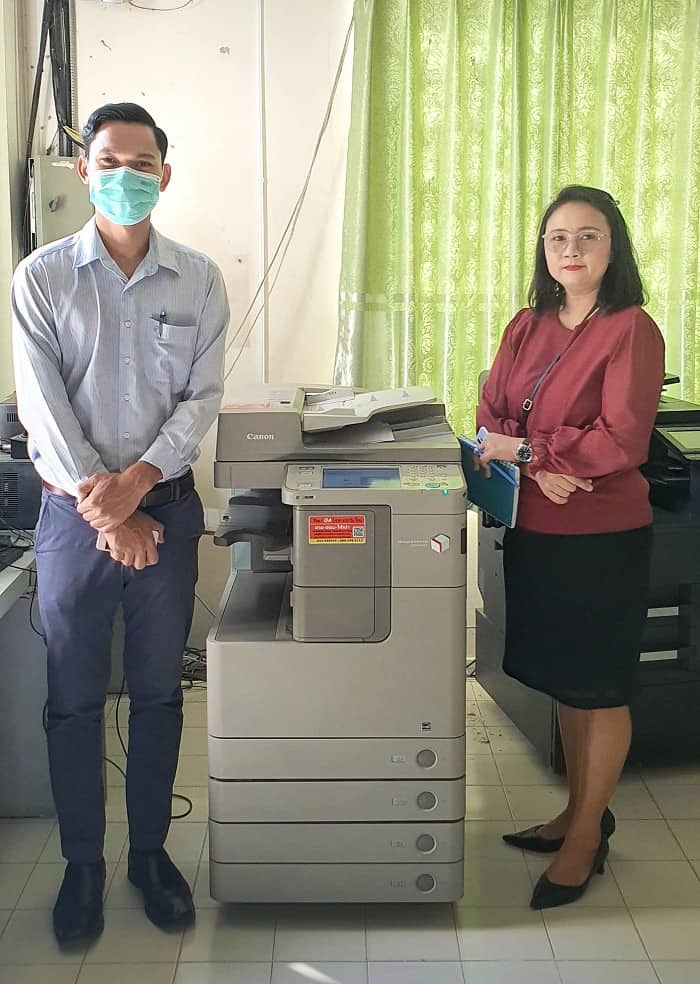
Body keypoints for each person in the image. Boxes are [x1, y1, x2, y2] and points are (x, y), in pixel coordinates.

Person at [11, 103, 229, 943]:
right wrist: (106, 510)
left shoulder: (199, 278)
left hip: (164, 515)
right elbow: (42, 406)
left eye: (142, 164)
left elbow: (201, 399)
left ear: (164, 176)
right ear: (84, 170)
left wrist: (137, 486)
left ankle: (147, 854)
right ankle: (82, 866)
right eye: (110, 161)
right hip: (73, 521)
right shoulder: (42, 277)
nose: (126, 176)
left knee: (159, 694)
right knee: (71, 702)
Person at [476, 185, 664, 910]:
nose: (572, 249)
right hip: (536, 526)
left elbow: (623, 438)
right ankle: (577, 811)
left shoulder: (630, 329)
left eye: (589, 235)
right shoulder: (526, 325)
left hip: (601, 536)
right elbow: (491, 414)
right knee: (564, 682)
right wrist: (533, 463)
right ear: (544, 250)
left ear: (613, 247)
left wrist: (530, 453)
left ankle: (587, 835)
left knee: (598, 687)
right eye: (558, 237)